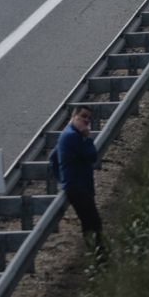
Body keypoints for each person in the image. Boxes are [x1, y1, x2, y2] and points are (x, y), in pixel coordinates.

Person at [50, 106, 109, 264]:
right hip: (79, 187)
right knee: (93, 223)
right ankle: (99, 258)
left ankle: (97, 255)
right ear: (74, 116)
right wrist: (87, 136)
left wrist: (62, 179)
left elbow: (53, 158)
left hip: (76, 185)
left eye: (88, 118)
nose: (86, 121)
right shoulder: (73, 136)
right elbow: (91, 156)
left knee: (89, 222)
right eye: (83, 116)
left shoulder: (66, 134)